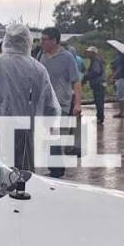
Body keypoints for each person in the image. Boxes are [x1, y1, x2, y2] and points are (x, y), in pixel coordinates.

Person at [0, 23, 60, 172]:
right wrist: (50, 126)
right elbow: (51, 106)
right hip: (25, 135)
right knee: (23, 176)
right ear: (28, 41)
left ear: (6, 40)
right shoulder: (38, 69)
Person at [37, 29, 82, 177]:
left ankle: (56, 169)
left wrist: (77, 104)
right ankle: (55, 166)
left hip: (61, 103)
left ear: (55, 40)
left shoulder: (67, 57)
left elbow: (76, 81)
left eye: (44, 39)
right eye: (41, 39)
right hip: (44, 103)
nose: (41, 42)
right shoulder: (40, 56)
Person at [83, 47, 106, 124]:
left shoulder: (96, 60)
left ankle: (100, 117)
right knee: (99, 100)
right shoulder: (97, 59)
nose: (88, 54)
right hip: (100, 83)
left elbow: (96, 71)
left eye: (89, 52)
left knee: (99, 100)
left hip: (98, 83)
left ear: (93, 53)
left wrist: (87, 77)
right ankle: (100, 116)